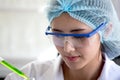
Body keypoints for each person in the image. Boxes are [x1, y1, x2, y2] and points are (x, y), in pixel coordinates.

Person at [5, 0, 120, 80]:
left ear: (106, 30)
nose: (67, 48)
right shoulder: (28, 75)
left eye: (78, 36)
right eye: (58, 34)